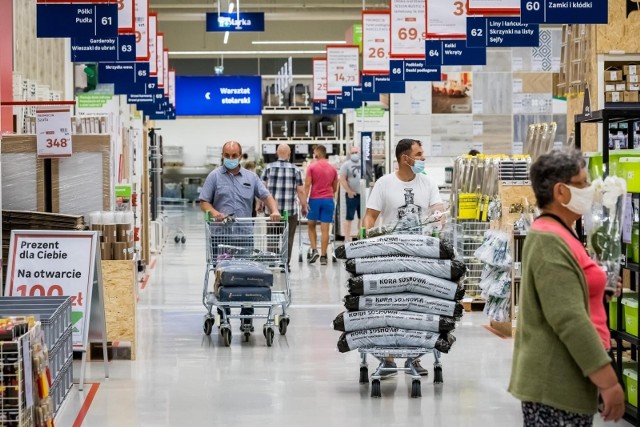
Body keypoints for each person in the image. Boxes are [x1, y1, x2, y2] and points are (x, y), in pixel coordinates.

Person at [509, 149, 624, 425]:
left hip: (568, 376)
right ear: (561, 192)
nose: (588, 190)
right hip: (554, 382)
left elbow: (568, 291)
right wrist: (609, 383)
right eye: (582, 183)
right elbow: (568, 319)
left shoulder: (562, 231)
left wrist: (600, 292)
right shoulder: (549, 239)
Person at [363, 138, 445, 378]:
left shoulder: (427, 183)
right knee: (389, 306)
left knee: (418, 307)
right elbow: (371, 216)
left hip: (420, 255)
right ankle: (387, 358)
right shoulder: (384, 184)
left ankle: (415, 357)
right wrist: (365, 239)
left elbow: (437, 208)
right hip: (389, 254)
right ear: (404, 158)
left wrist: (439, 218)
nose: (423, 158)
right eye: (419, 154)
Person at [199, 141, 281, 331]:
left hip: (244, 236)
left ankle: (247, 317)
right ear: (222, 155)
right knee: (221, 274)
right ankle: (224, 313)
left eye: (233, 155)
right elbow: (204, 202)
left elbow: (266, 195)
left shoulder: (251, 178)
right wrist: (214, 213)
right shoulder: (214, 177)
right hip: (221, 237)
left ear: (240, 156)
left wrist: (274, 210)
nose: (230, 159)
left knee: (247, 276)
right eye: (226, 155)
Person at [262, 144, 309, 269]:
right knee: (288, 237)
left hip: (272, 211)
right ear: (289, 154)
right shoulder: (295, 169)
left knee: (272, 236)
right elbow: (301, 191)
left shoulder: (268, 168)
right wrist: (304, 206)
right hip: (290, 211)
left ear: (277, 153)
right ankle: (284, 264)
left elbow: (262, 189)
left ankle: (272, 261)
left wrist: (258, 205)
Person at [304, 145, 338, 265]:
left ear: (317, 154)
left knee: (311, 225)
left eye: (314, 152)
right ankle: (324, 256)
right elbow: (335, 188)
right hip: (328, 200)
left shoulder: (311, 167)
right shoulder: (333, 169)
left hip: (315, 200)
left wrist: (304, 201)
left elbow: (307, 185)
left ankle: (314, 250)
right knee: (325, 229)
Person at [339, 146, 362, 242]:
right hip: (352, 195)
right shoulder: (346, 165)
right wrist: (349, 191)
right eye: (353, 153)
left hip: (362, 195)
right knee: (349, 217)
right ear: (350, 154)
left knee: (362, 217)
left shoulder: (364, 164)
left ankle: (360, 236)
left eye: (356, 152)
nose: (355, 154)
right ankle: (347, 238)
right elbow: (342, 179)